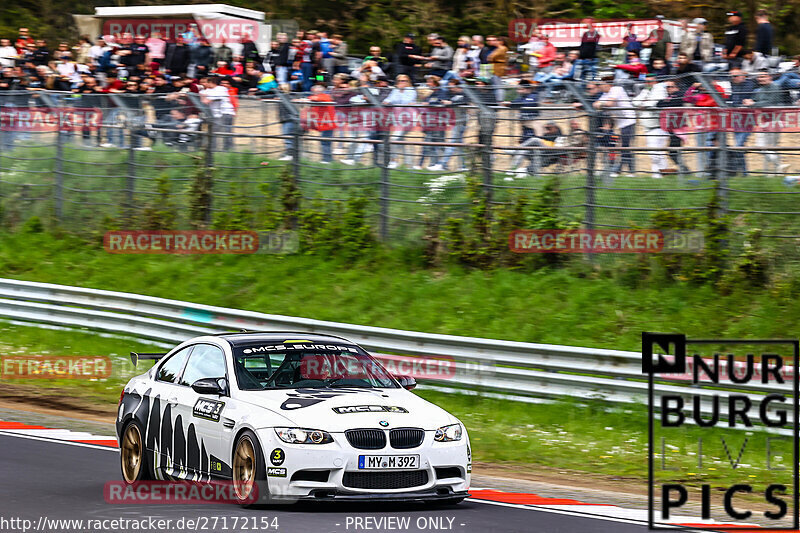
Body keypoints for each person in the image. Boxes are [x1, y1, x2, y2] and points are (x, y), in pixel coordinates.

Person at [744, 71, 790, 173]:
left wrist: (753, 104)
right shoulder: (758, 90)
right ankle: (776, 169)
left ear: (770, 77)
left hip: (775, 120)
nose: (761, 79)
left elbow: (770, 103)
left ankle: (776, 168)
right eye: (759, 77)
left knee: (767, 146)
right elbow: (754, 102)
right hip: (763, 121)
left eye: (763, 76)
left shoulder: (775, 87)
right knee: (766, 147)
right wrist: (748, 102)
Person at [594, 75, 636, 177]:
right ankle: (621, 170)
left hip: (629, 120)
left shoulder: (617, 89)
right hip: (621, 122)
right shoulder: (605, 94)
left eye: (601, 84)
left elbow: (610, 104)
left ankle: (628, 172)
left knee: (625, 146)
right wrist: (603, 104)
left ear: (608, 84)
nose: (599, 87)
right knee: (623, 146)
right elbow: (595, 105)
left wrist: (602, 104)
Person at [633, 74, 669, 178]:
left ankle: (660, 174)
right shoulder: (646, 90)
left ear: (655, 81)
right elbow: (635, 102)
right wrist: (644, 103)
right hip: (648, 127)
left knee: (655, 153)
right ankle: (658, 175)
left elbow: (653, 104)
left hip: (658, 126)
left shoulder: (660, 89)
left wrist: (643, 104)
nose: (647, 83)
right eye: (646, 81)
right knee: (655, 153)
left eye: (650, 81)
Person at [505, 79, 541, 176]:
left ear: (526, 89)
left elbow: (528, 104)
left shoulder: (533, 96)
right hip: (526, 130)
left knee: (524, 150)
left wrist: (514, 104)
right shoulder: (522, 97)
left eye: (520, 89)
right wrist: (509, 103)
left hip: (534, 131)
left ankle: (512, 169)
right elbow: (514, 103)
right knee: (529, 153)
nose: (518, 91)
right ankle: (534, 174)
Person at [432, 78, 469, 171]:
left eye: (452, 86)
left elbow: (464, 102)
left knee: (453, 142)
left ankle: (443, 164)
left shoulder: (464, 93)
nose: (450, 89)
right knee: (458, 143)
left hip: (461, 121)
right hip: (455, 120)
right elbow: (442, 99)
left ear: (457, 85)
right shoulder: (450, 93)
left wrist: (451, 103)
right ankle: (463, 166)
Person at [382, 74, 417, 168]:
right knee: (401, 140)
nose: (402, 83)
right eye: (400, 81)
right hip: (398, 118)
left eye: (404, 81)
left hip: (408, 119)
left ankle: (394, 161)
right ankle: (409, 163)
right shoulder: (395, 90)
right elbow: (388, 100)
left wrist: (399, 94)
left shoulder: (411, 90)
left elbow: (405, 101)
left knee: (394, 139)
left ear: (408, 81)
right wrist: (391, 100)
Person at [727, 68, 756, 174]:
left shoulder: (750, 84)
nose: (733, 78)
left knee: (738, 146)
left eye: (735, 76)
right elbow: (732, 100)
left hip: (747, 120)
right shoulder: (733, 85)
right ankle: (743, 173)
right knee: (738, 147)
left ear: (743, 76)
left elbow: (749, 99)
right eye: (731, 76)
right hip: (736, 120)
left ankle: (743, 173)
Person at [200, 75, 236, 151]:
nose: (203, 84)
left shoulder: (221, 89)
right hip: (215, 115)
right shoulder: (206, 90)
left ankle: (228, 149)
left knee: (227, 131)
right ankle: (213, 149)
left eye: (205, 82)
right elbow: (202, 98)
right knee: (213, 131)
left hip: (226, 113)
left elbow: (206, 101)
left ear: (211, 82)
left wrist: (204, 96)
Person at [486, 35, 508, 101]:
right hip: (494, 68)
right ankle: (496, 99)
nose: (496, 42)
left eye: (497, 41)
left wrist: (490, 57)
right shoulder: (497, 49)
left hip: (498, 68)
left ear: (501, 42)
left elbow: (491, 57)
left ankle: (500, 100)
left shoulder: (502, 48)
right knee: (494, 85)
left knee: (498, 86)